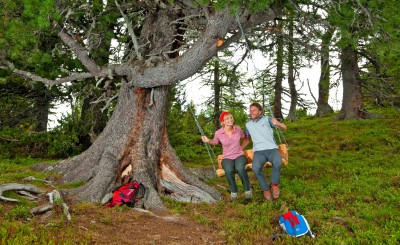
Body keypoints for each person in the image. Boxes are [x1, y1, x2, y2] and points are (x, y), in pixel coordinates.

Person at [241, 102, 287, 201]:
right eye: (250, 110)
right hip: (258, 152)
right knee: (256, 168)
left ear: (260, 111)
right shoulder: (248, 125)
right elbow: (247, 139)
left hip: (272, 149)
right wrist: (239, 148)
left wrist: (277, 123)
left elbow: (284, 128)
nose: (251, 112)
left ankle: (274, 185)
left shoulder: (267, 119)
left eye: (254, 110)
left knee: (278, 163)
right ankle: (266, 189)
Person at [201, 111, 251, 201]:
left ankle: (247, 191)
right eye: (227, 119)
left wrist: (241, 147)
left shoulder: (238, 129)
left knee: (240, 168)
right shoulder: (218, 133)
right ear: (222, 122)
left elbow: (246, 138)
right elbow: (215, 142)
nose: (230, 120)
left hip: (239, 155)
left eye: (231, 118)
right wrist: (208, 140)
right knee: (228, 170)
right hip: (227, 157)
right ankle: (234, 192)